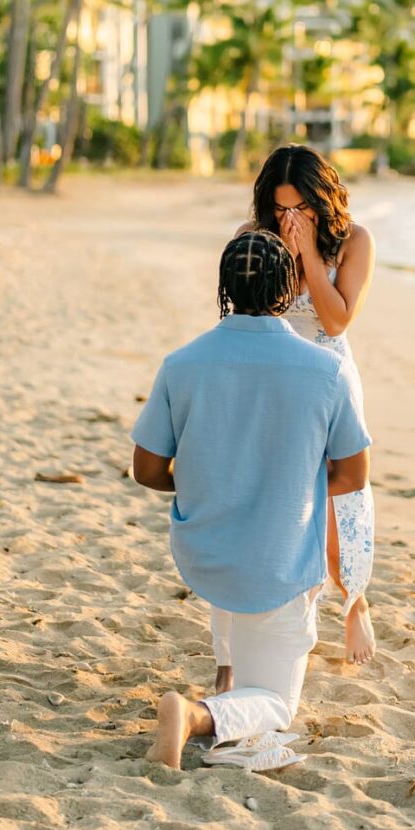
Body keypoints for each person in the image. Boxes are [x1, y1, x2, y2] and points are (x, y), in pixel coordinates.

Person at [131, 229, 372, 772]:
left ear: (224, 288)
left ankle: (225, 672)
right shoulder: (325, 370)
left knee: (242, 616)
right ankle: (192, 717)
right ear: (288, 290)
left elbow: (147, 470)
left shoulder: (182, 363)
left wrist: (212, 485)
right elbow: (352, 475)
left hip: (208, 549)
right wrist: (282, 488)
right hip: (278, 559)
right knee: (278, 706)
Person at [239, 144, 377, 663]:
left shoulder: (354, 241)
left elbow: (337, 318)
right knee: (281, 495)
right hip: (272, 372)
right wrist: (283, 254)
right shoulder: (252, 239)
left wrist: (311, 260)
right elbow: (250, 311)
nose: (290, 219)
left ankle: (355, 600)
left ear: (324, 200)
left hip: (329, 374)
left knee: (341, 501)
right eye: (280, 208)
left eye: (302, 208)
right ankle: (290, 604)